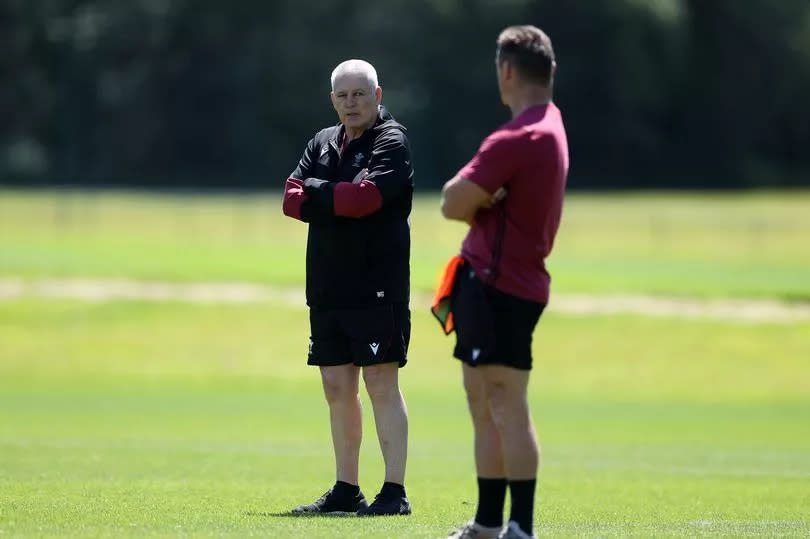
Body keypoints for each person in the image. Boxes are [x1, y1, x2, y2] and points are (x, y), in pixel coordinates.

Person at [439, 26, 569, 539]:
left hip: (499, 286)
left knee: (504, 401)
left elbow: (451, 202)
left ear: (507, 70)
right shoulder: (551, 125)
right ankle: (491, 522)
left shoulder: (520, 136)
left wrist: (474, 198)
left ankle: (520, 526)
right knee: (485, 398)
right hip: (501, 284)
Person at [281, 59, 413, 516]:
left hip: (376, 284)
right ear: (332, 99)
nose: (351, 103)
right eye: (343, 95)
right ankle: (346, 488)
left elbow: (367, 200)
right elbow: (289, 200)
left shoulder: (391, 141)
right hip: (326, 284)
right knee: (337, 386)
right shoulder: (322, 140)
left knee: (380, 381)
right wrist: (333, 192)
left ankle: (393, 492)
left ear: (378, 95)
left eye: (360, 94)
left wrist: (318, 192)